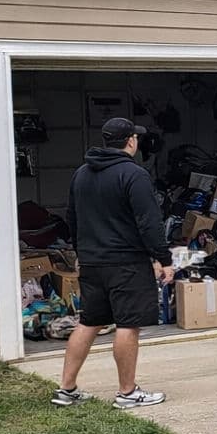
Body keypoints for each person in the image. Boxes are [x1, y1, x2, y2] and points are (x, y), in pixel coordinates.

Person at [51, 117, 174, 409]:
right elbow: (149, 222)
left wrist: (81, 254)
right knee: (128, 325)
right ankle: (127, 392)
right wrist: (164, 259)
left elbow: (73, 218)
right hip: (126, 262)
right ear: (130, 141)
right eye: (136, 138)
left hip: (93, 261)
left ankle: (66, 390)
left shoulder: (82, 173)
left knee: (89, 322)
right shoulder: (134, 174)